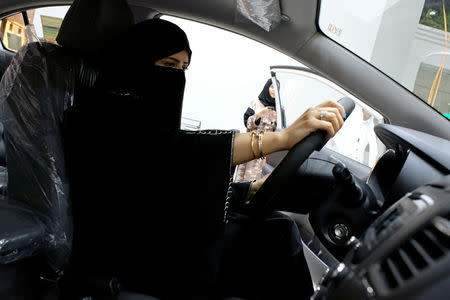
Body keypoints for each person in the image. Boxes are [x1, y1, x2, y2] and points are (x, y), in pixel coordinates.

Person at [65, 18, 344, 299]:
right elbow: (173, 151)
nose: (177, 78)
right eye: (169, 66)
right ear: (137, 61)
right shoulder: (100, 118)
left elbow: (164, 178)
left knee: (276, 230)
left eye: (184, 68)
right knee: (274, 240)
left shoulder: (130, 113)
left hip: (151, 236)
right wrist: (283, 138)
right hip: (122, 256)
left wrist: (245, 191)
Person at [234, 78, 278, 182]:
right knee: (243, 181)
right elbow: (247, 123)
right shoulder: (255, 103)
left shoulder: (280, 110)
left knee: (259, 182)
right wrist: (259, 115)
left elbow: (279, 132)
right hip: (250, 148)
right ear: (267, 87)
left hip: (265, 153)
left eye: (276, 89)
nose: (274, 91)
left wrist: (276, 120)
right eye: (272, 87)